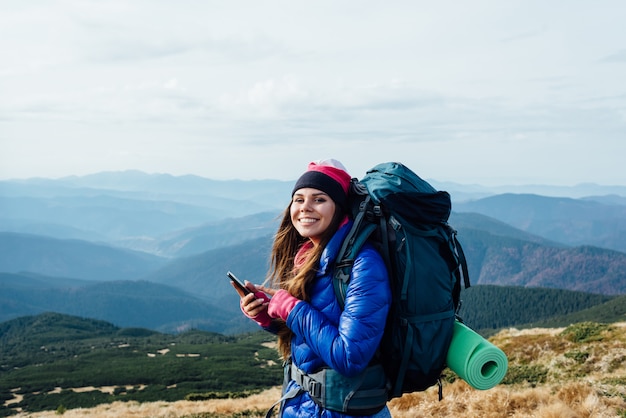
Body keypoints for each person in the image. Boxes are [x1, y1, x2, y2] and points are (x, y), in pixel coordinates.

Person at [236, 159, 393, 418]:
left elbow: (350, 356)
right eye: (298, 199)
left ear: (339, 209)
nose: (305, 207)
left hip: (343, 410)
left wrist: (291, 307)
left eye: (319, 199)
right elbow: (310, 335)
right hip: (303, 404)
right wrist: (267, 314)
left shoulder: (365, 265)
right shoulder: (309, 255)